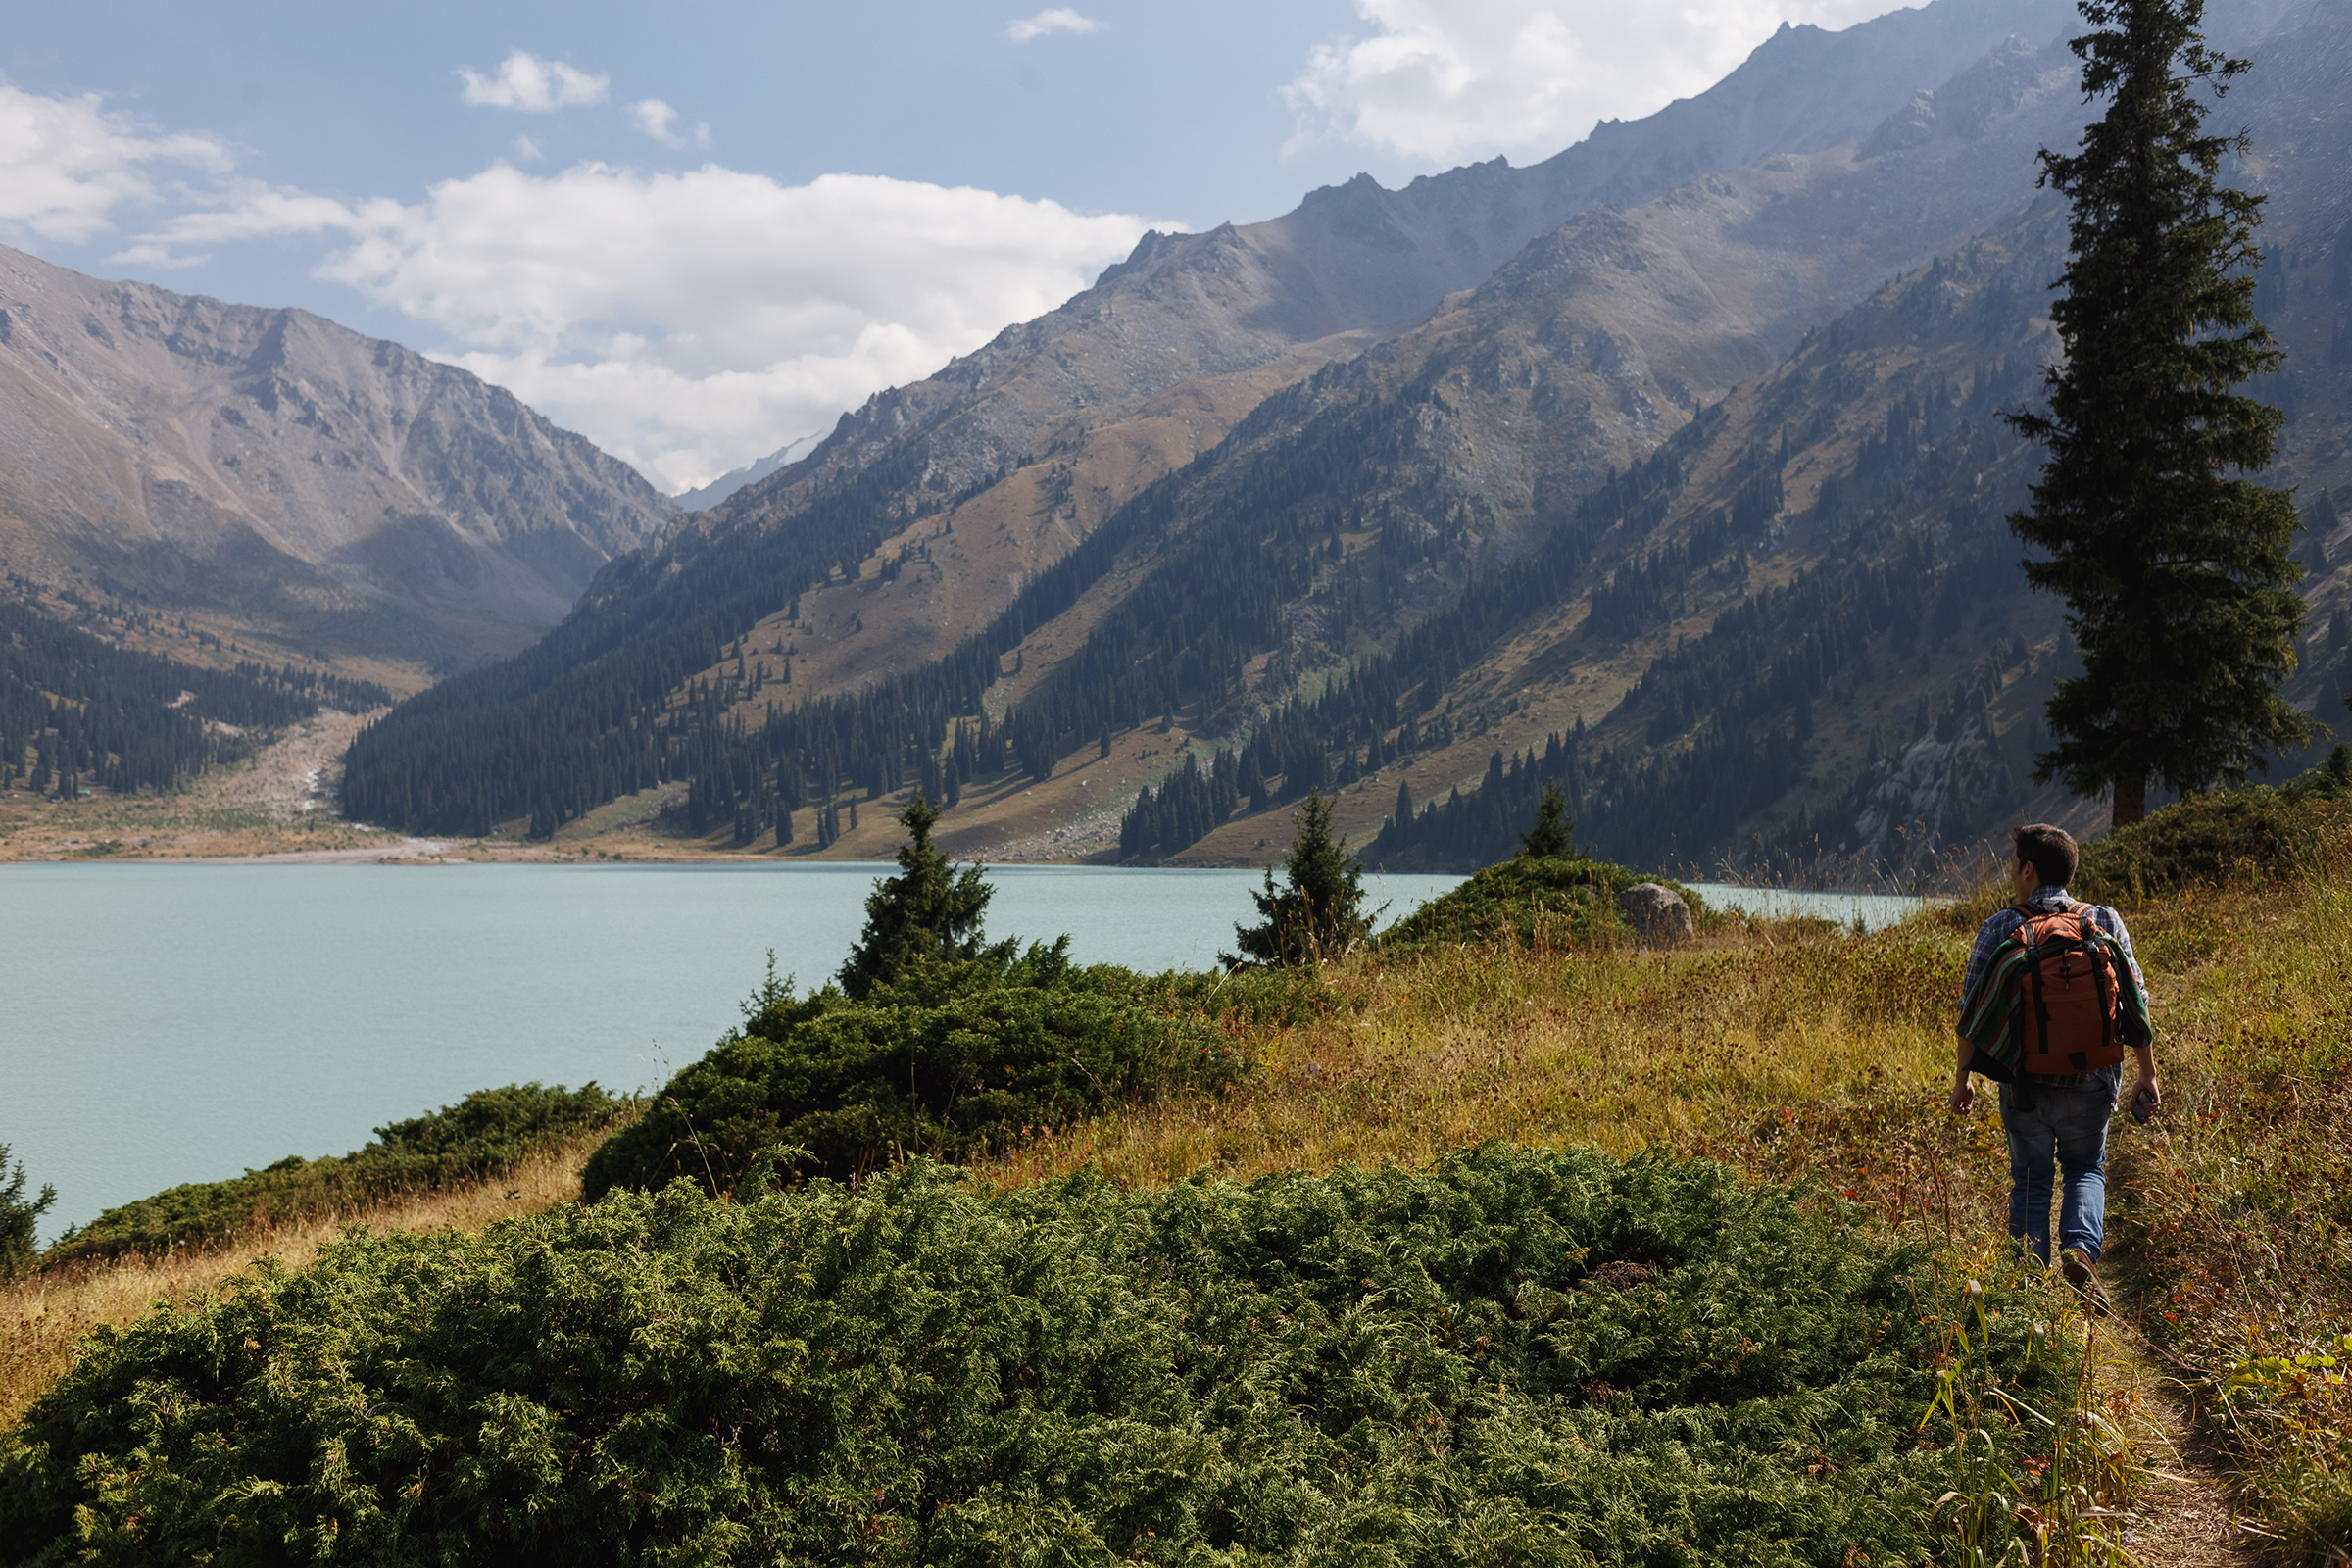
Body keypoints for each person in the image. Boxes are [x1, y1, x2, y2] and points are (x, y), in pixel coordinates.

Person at [1948, 823, 2159, 1298]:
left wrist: (1964, 1080)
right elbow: (2135, 999)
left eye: (2013, 866)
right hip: (2093, 1075)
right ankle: (2080, 1252)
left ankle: (2027, 1288)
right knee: (2085, 1167)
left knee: (2030, 1178)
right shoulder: (2103, 918)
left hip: (2025, 1080)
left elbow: (1970, 1012)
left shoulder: (2002, 926)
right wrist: (2146, 1072)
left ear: (2028, 868)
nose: (2011, 875)